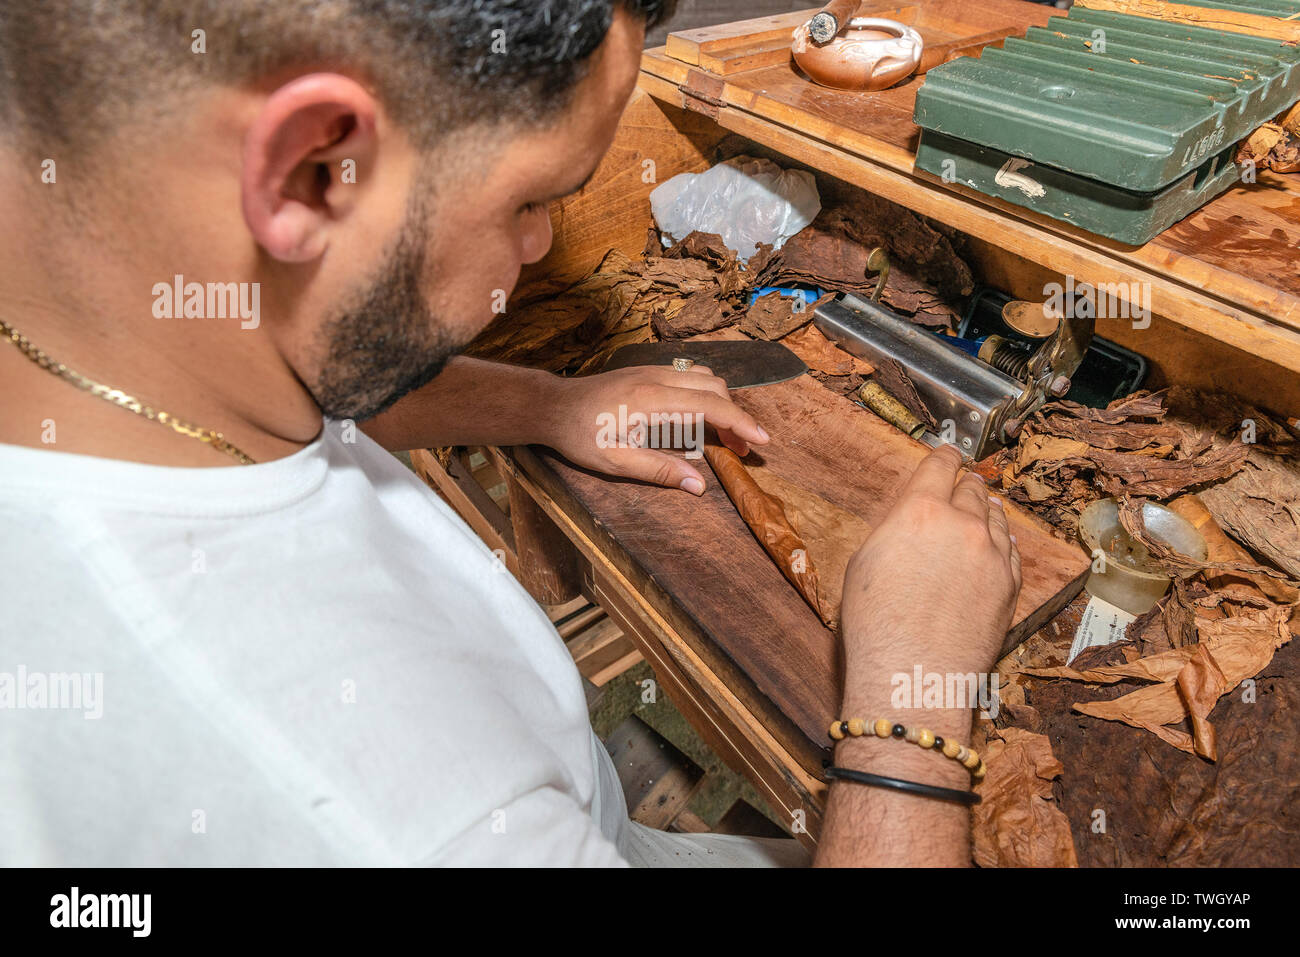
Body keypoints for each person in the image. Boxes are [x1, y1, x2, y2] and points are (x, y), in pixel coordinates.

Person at [0, 1, 1020, 866]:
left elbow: (284, 354)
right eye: (531, 200)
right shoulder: (387, 812)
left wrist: (545, 404)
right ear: (314, 173)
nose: (536, 248)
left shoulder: (102, 309)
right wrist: (910, 718)